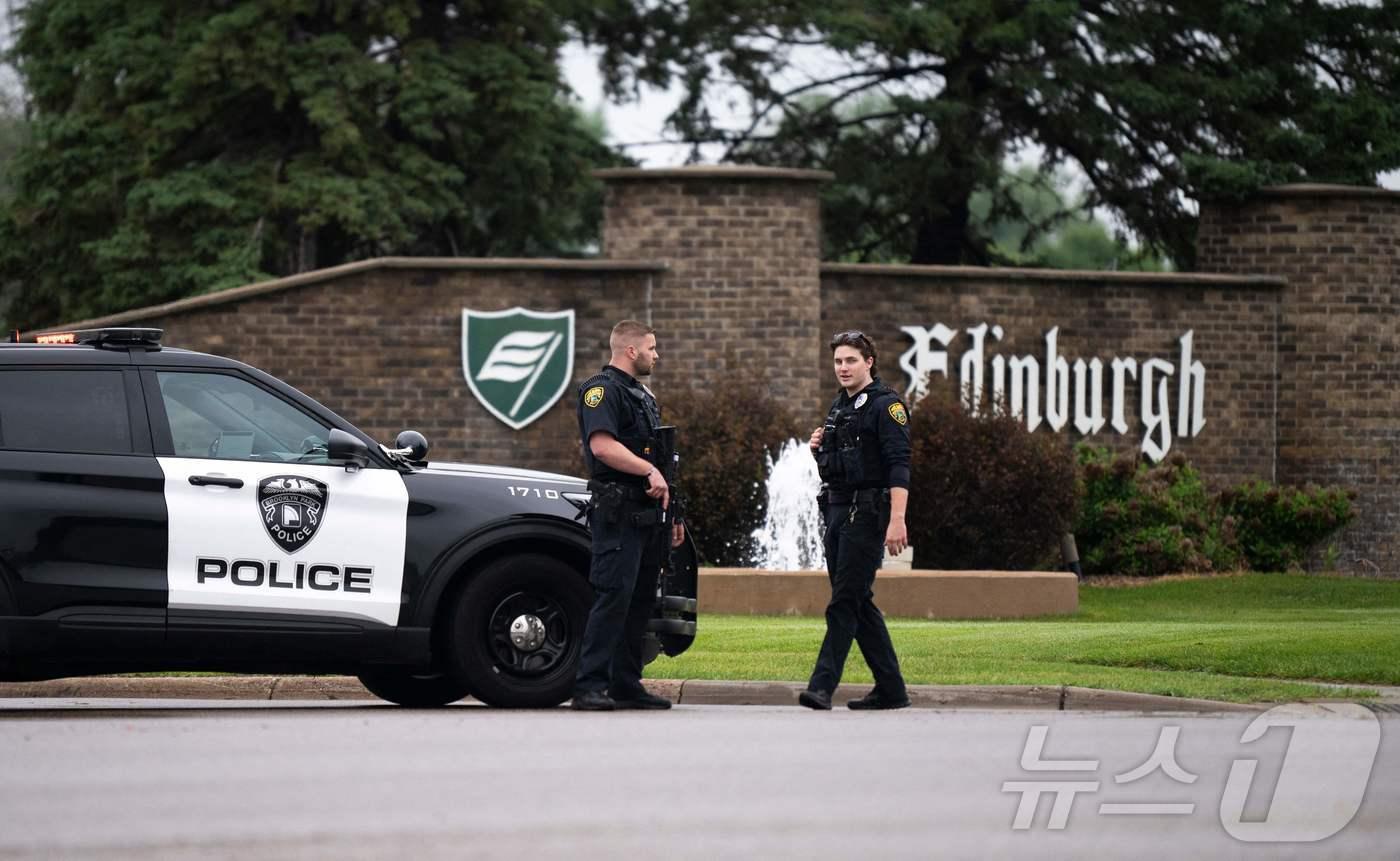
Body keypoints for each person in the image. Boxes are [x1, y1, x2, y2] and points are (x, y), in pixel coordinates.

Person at [571, 320, 685, 711]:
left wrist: (675, 514)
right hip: (618, 514)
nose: (657, 355)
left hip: (648, 515)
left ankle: (625, 683)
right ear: (631, 350)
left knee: (639, 602)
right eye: (652, 348)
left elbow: (662, 458)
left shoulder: (641, 395)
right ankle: (589, 686)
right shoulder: (602, 391)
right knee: (613, 599)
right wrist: (647, 470)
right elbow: (602, 447)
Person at [799, 330, 912, 710]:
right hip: (837, 511)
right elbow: (844, 463)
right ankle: (891, 689)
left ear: (869, 362)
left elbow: (899, 465)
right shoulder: (841, 405)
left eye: (851, 360)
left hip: (867, 514)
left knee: (844, 601)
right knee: (859, 602)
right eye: (838, 361)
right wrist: (819, 449)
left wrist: (897, 520)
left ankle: (821, 687)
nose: (843, 367)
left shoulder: (886, 406)